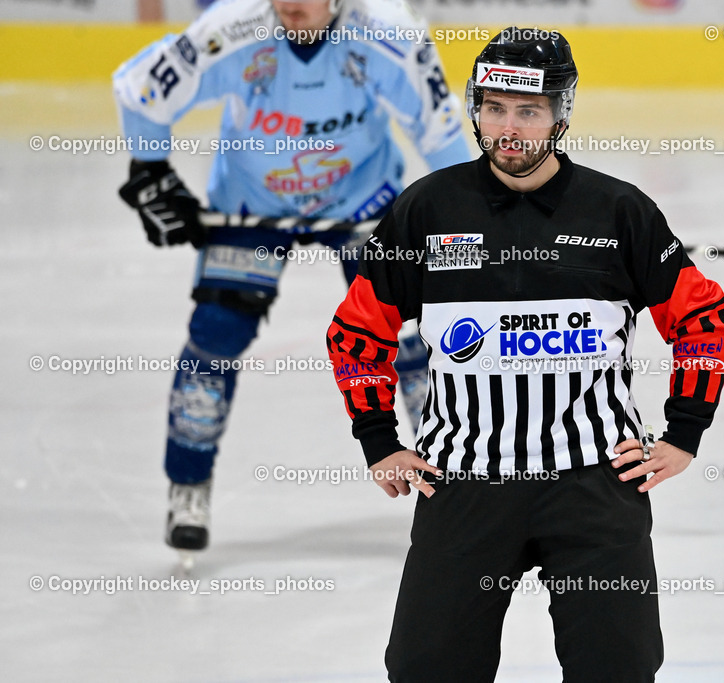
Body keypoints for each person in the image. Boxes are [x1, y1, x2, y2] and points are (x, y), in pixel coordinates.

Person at [326, 27, 724, 682]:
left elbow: (703, 320)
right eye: (494, 108)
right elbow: (356, 331)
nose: (508, 128)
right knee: (426, 669)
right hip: (466, 482)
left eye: (528, 110)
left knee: (618, 668)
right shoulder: (427, 210)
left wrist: (683, 432)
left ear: (560, 114)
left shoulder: (618, 211)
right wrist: (378, 440)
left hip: (593, 483)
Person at [113, 0, 471, 555]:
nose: (290, 3)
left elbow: (437, 126)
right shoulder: (233, 28)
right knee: (217, 333)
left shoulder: (388, 35)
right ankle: (188, 483)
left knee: (415, 331)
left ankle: (454, 475)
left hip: (361, 202)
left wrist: (469, 213)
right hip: (251, 204)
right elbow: (140, 89)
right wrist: (151, 171)